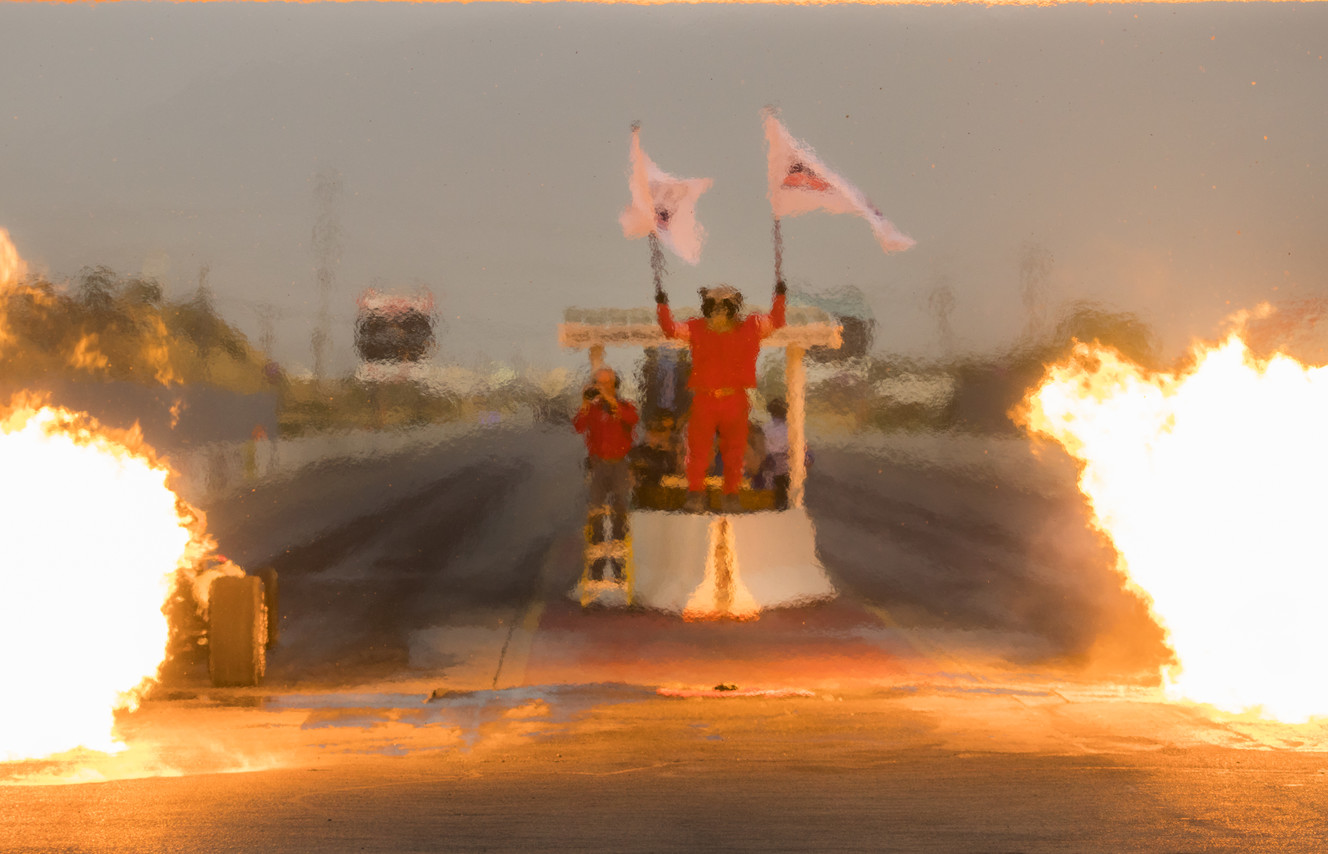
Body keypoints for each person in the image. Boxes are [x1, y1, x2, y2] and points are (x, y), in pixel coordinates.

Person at [657, 280, 786, 512]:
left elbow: (776, 321)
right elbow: (670, 330)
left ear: (731, 309)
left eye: (723, 307)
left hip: (734, 398)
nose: (717, 311)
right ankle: (695, 493)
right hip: (704, 399)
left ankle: (731, 494)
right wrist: (662, 304)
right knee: (697, 449)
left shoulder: (751, 326)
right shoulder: (696, 328)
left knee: (735, 450)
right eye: (713, 307)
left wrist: (780, 295)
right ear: (707, 308)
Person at [573, 367, 639, 581]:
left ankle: (620, 570)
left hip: (619, 464)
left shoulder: (624, 405)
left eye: (606, 383)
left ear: (614, 385)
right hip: (598, 464)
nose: (601, 387)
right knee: (596, 514)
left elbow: (632, 419)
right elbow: (578, 427)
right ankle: (597, 570)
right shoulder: (592, 409)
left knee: (621, 513)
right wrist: (585, 403)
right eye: (598, 383)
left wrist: (610, 401)